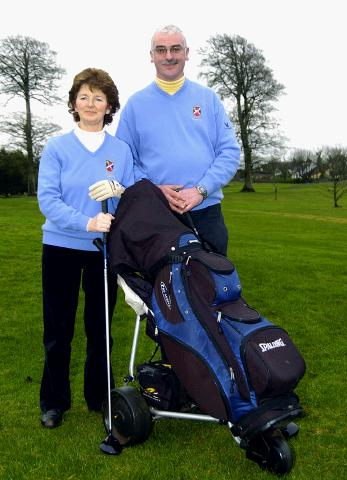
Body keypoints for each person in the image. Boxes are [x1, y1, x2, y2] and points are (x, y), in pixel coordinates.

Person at [37, 68, 134, 428]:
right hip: (61, 247)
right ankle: (54, 401)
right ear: (73, 103)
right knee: (58, 329)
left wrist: (121, 193)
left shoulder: (120, 151)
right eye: (84, 96)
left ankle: (100, 397)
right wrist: (87, 221)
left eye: (98, 97)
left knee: (100, 328)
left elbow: (134, 196)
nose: (90, 104)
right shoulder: (57, 148)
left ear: (109, 105)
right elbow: (48, 200)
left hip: (102, 253)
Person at [116, 25, 240, 256]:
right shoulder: (135, 105)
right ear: (151, 56)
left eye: (175, 49)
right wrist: (154, 192)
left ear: (187, 52)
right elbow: (124, 162)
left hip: (206, 213)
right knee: (160, 290)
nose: (169, 56)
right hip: (156, 215)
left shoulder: (208, 99)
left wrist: (201, 190)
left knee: (213, 289)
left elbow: (229, 152)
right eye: (161, 50)